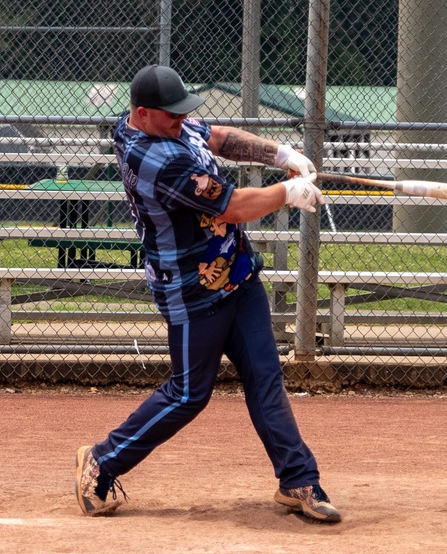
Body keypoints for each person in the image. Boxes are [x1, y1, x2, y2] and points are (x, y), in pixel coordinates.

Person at [74, 64, 341, 523]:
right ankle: (102, 461)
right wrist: (288, 191)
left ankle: (298, 478)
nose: (181, 120)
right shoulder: (155, 160)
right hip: (190, 290)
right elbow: (234, 207)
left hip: (237, 275)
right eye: (171, 115)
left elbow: (215, 136)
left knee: (265, 376)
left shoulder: (169, 125)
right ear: (142, 114)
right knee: (187, 395)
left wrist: (281, 154)